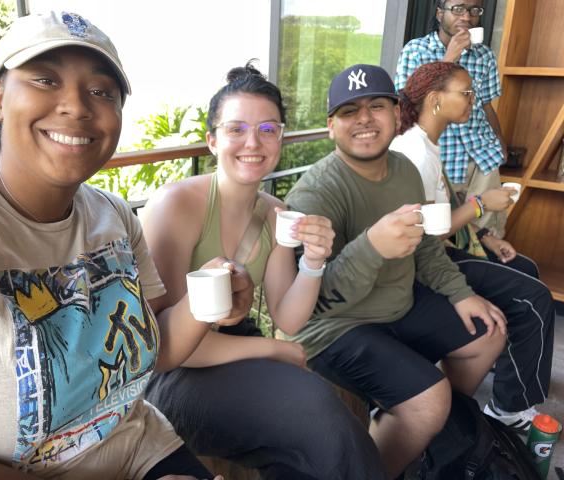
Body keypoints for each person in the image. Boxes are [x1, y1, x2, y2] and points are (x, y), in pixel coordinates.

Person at [0, 11, 256, 480]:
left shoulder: (114, 214)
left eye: (101, 91)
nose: (77, 106)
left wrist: (208, 305)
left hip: (143, 450)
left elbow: (151, 347)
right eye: (44, 79)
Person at [142, 62, 386, 480]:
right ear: (212, 141)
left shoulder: (276, 213)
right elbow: (160, 350)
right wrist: (273, 349)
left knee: (322, 426)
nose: (253, 142)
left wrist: (313, 261)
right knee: (317, 416)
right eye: (236, 129)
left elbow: (287, 316)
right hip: (172, 375)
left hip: (232, 351)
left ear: (281, 139)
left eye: (268, 129)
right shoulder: (175, 206)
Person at [284, 63, 507, 479]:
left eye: (377, 106)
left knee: (488, 332)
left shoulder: (404, 170)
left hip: (399, 304)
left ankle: (425, 435)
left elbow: (423, 245)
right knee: (429, 400)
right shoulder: (315, 192)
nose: (365, 119)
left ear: (397, 113)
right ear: (331, 126)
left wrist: (461, 293)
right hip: (335, 328)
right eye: (350, 111)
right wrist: (370, 247)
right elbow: (314, 304)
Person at [390, 60, 555, 432]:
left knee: (524, 269)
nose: (472, 100)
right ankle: (509, 409)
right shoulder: (413, 152)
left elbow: (444, 208)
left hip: (440, 249)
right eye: (465, 93)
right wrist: (483, 205)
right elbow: (429, 231)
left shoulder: (427, 145)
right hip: (425, 263)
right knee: (535, 297)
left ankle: (509, 372)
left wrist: (486, 236)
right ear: (435, 100)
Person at [395, 0, 508, 237]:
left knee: (488, 234)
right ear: (439, 13)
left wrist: (500, 142)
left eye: (474, 10)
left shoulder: (485, 56)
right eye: (458, 8)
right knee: (444, 233)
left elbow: (487, 105)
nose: (466, 17)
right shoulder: (415, 51)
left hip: (482, 157)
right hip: (442, 157)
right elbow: (407, 104)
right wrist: (450, 57)